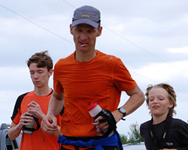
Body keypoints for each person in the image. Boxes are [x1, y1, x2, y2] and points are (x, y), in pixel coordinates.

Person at [41, 5, 145, 150]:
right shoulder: (61, 66)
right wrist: (50, 114)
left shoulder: (112, 64)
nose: (83, 37)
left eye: (89, 31)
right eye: (79, 30)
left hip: (102, 143)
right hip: (68, 144)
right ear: (71, 29)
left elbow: (138, 95)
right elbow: (58, 97)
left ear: (99, 31)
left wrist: (118, 114)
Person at [8, 51, 62, 150]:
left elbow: (67, 136)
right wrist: (19, 125)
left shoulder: (59, 100)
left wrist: (42, 116)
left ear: (50, 72)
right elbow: (11, 135)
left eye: (40, 72)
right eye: (32, 72)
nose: (35, 76)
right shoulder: (22, 99)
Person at [140, 83, 188, 150]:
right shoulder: (144, 128)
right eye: (151, 99)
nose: (155, 101)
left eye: (161, 99)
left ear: (171, 104)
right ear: (148, 105)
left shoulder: (179, 125)